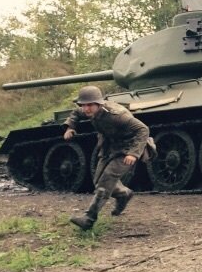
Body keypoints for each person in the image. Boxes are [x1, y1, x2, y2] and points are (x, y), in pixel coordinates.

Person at [63, 85, 153, 230]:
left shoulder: (117, 116)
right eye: (83, 105)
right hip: (109, 147)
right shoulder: (87, 110)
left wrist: (133, 153)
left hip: (126, 148)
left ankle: (89, 218)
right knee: (98, 181)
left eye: (90, 105)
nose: (86, 109)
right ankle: (124, 194)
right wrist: (71, 126)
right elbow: (76, 113)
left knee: (107, 179)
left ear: (99, 103)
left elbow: (143, 129)